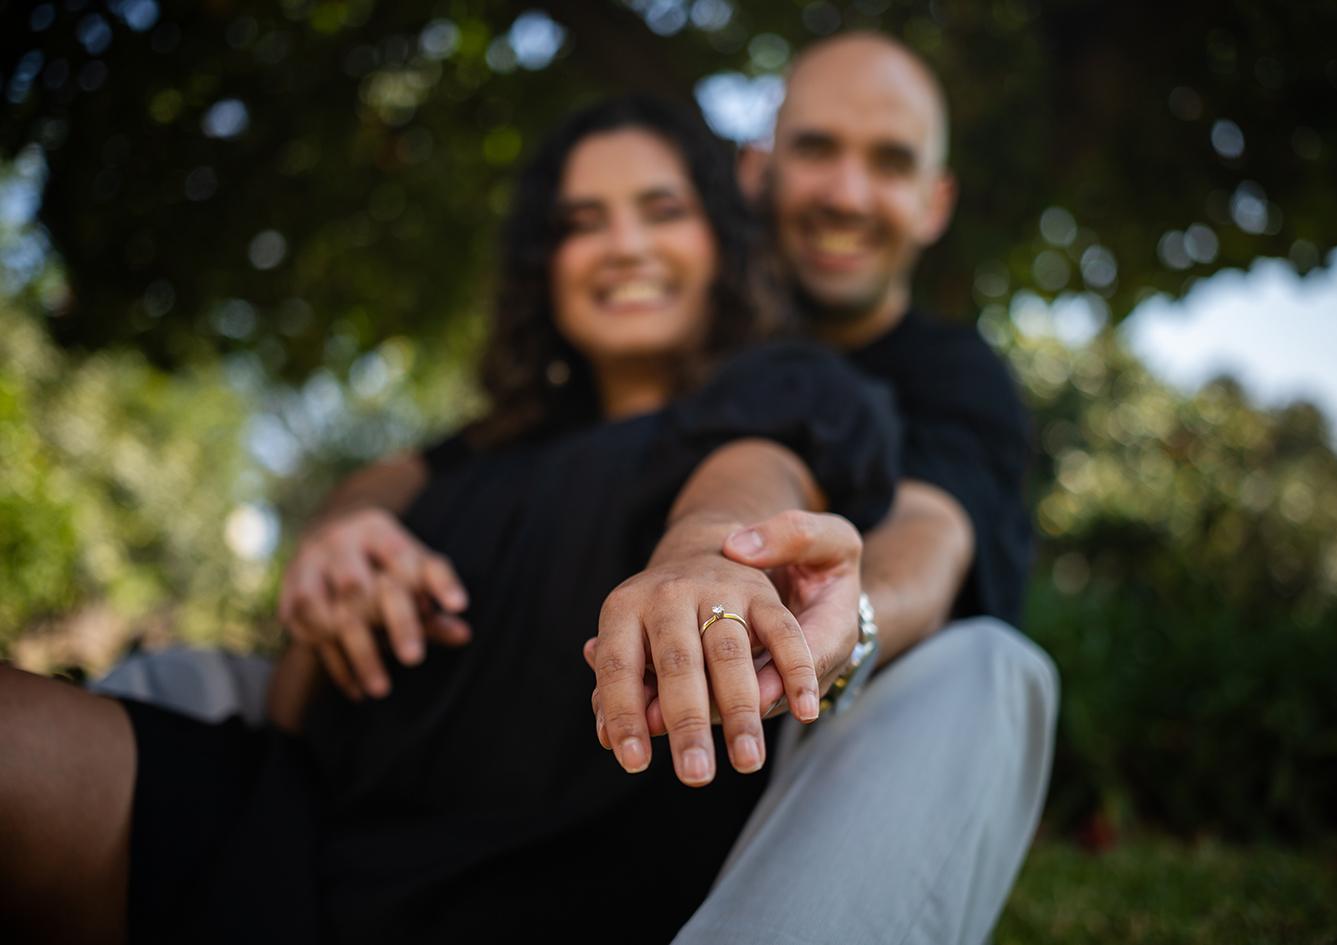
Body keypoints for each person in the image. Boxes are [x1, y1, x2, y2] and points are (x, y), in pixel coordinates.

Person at [0, 96, 901, 944]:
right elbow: (304, 671)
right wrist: (339, 544)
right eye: (582, 223)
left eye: (661, 211)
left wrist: (705, 550)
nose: (623, 246)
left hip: (544, 895)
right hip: (284, 826)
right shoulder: (484, 447)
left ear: (722, 242)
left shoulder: (786, 389)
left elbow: (753, 469)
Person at [275, 32, 1057, 945]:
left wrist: (832, 622)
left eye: (888, 162)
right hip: (528, 775)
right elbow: (438, 461)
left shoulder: (941, 372)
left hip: (796, 728)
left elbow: (928, 526)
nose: (847, 194)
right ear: (754, 174)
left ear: (935, 201)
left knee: (986, 667)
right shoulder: (625, 371)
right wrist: (347, 526)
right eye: (816, 149)